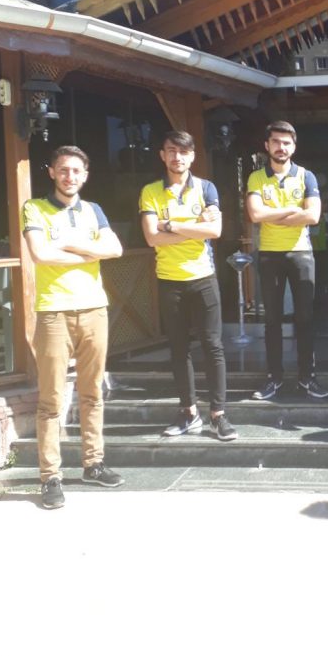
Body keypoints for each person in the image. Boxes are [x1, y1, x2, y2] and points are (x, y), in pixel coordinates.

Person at [22, 145, 125, 509]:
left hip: (95, 308)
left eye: (76, 171)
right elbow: (40, 254)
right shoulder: (35, 208)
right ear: (52, 172)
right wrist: (89, 251)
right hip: (54, 313)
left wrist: (66, 244)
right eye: (63, 170)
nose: (70, 176)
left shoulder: (94, 210)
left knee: (92, 392)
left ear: (85, 175)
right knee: (51, 399)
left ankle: (93, 463)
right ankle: (50, 476)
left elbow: (115, 249)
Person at [139, 130, 236, 441]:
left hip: (203, 277)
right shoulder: (150, 191)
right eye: (171, 150)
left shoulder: (206, 188)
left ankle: (218, 414)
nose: (177, 156)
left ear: (192, 156)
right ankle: (188, 412)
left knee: (213, 346)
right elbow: (151, 237)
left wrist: (171, 225)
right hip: (169, 280)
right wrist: (195, 228)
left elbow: (215, 231)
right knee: (179, 348)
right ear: (162, 155)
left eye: (183, 151)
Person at [246, 120, 328, 400]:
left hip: (301, 254)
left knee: (305, 318)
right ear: (267, 145)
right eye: (276, 142)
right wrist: (292, 211)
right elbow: (255, 214)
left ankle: (307, 377)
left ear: (294, 147)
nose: (281, 147)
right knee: (272, 319)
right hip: (269, 254)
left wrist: (273, 213)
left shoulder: (307, 176)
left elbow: (313, 216)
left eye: (286, 143)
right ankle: (274, 378)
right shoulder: (256, 177)